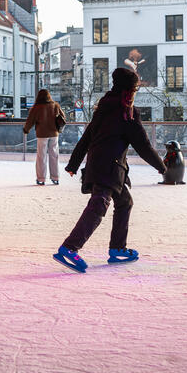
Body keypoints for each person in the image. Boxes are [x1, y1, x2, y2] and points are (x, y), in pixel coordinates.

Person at [53, 67, 166, 273]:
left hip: (103, 164)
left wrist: (74, 164)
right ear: (127, 90)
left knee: (125, 201)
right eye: (134, 89)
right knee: (99, 205)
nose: (134, 93)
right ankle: (69, 248)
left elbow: (87, 136)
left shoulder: (104, 107)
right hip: (110, 167)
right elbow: (143, 145)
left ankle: (117, 248)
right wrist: (161, 166)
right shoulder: (126, 113)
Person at [23, 89, 66, 185]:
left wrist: (26, 129)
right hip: (54, 134)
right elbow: (63, 117)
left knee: (41, 156)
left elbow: (30, 120)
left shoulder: (36, 107)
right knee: (54, 156)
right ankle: (55, 178)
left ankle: (41, 179)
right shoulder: (55, 105)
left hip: (42, 134)